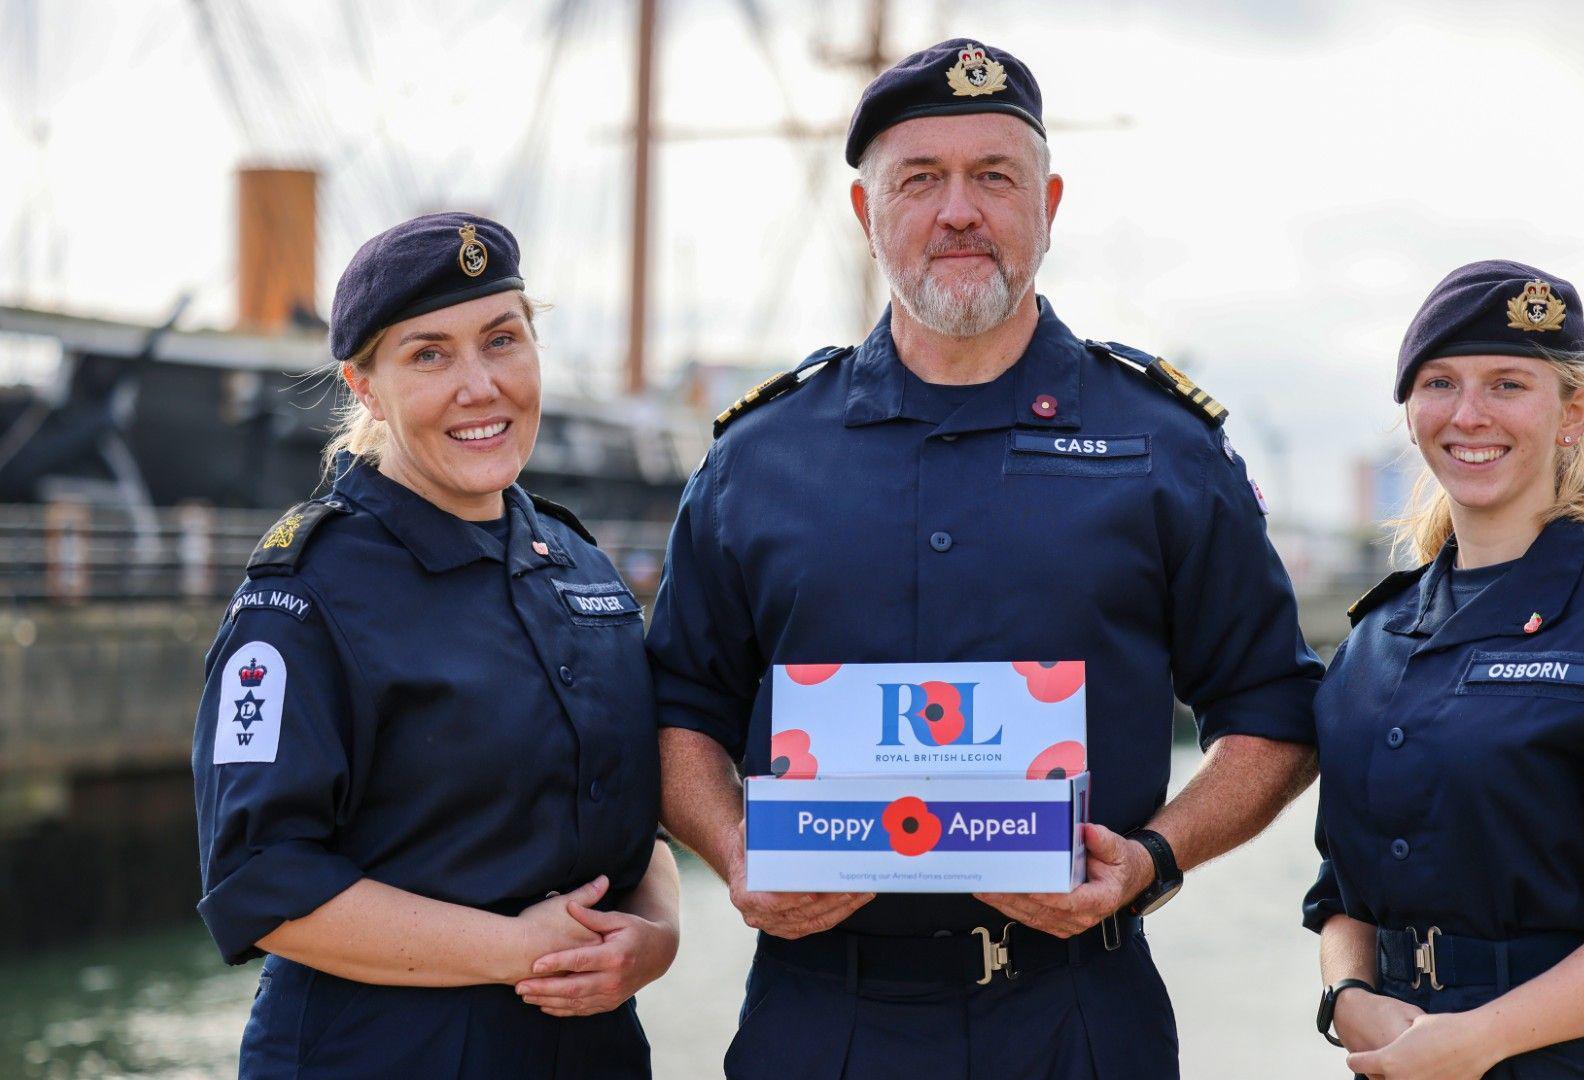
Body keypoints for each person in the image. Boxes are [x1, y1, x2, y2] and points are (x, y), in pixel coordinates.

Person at [646, 38, 1323, 1080]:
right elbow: (679, 706)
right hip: (822, 1015)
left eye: (993, 177)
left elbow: (1272, 714)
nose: (958, 211)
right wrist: (733, 849)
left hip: (1077, 1015)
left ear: (1047, 204)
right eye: (920, 180)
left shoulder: (1164, 449)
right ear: (869, 216)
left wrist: (1151, 859)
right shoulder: (759, 456)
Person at [191, 213, 678, 1078]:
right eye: (429, 354)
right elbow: (259, 880)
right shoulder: (305, 594)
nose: (479, 385)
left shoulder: (579, 566)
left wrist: (657, 936)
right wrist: (513, 949)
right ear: (365, 386)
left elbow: (633, 819)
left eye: (502, 340)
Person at [1303, 261, 1584, 1078]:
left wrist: (1480, 1038)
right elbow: (1343, 887)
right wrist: (1348, 999)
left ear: (1573, 413)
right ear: (1411, 412)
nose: (1469, 414)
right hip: (1402, 1057)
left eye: (1508, 384)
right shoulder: (1374, 639)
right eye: (1440, 383)